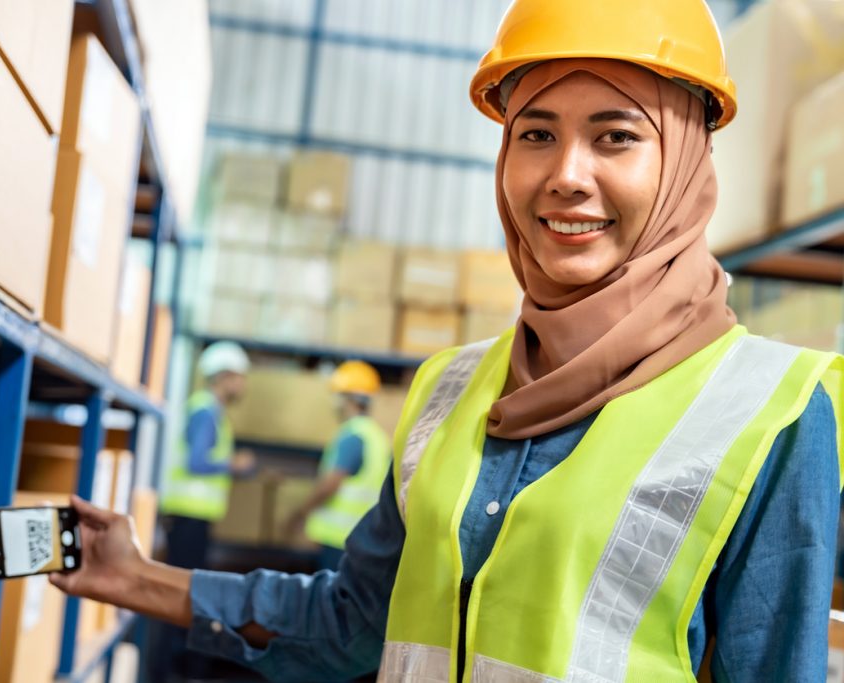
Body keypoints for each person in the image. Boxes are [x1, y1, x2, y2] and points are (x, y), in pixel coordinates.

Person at [51, 1, 844, 680]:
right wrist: (138, 577)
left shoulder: (769, 413)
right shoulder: (451, 387)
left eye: (615, 137)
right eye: (536, 134)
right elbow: (356, 620)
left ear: (685, 161)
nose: (566, 173)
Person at [151, 341, 255, 679]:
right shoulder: (206, 411)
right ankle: (172, 671)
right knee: (182, 595)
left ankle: (177, 668)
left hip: (194, 518)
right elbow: (197, 462)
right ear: (223, 376)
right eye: (239, 377)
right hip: (188, 517)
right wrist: (235, 465)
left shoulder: (210, 411)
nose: (242, 384)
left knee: (186, 594)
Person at [283, 361, 391, 572]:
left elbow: (330, 484)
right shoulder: (377, 437)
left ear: (347, 399)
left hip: (338, 539)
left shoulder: (352, 436)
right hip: (364, 536)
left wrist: (301, 513)